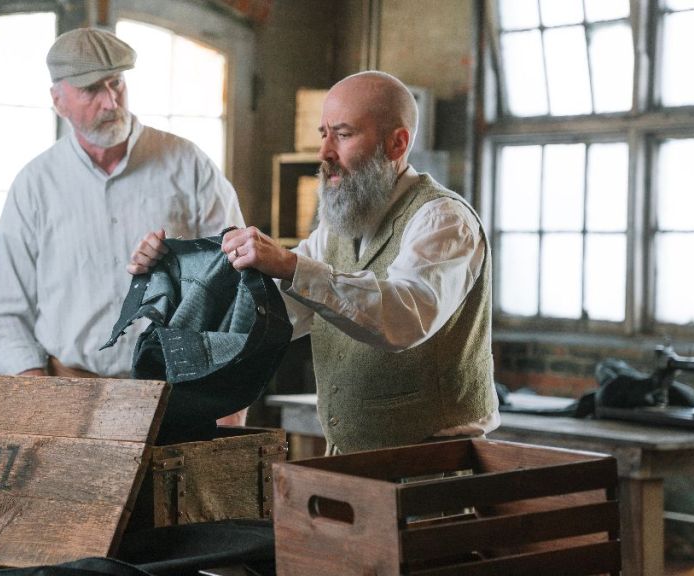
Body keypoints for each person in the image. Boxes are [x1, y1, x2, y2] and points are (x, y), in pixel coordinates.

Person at [130, 71, 499, 453]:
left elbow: (404, 318)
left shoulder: (442, 220)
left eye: (343, 134)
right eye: (324, 133)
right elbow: (272, 314)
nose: (324, 152)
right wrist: (176, 275)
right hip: (347, 459)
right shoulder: (338, 228)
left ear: (396, 143)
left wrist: (290, 266)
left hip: (432, 465)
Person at [0, 27, 244, 380]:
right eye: (91, 89)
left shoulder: (189, 165)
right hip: (66, 387)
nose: (110, 102)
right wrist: (36, 389)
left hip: (172, 389)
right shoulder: (35, 185)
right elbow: (8, 309)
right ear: (58, 101)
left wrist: (226, 390)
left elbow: (234, 276)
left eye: (116, 83)